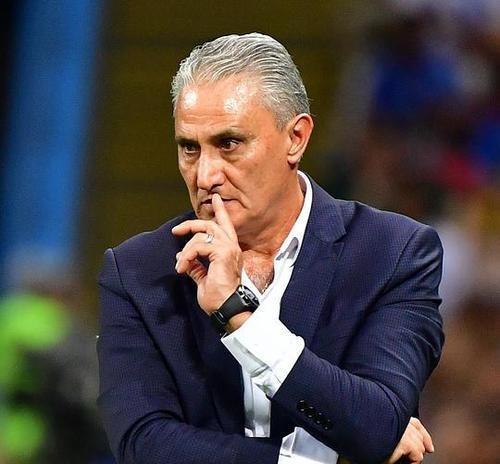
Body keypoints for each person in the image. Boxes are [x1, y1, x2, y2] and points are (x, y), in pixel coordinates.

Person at [97, 33, 443, 464]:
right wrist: (308, 459)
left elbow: (378, 421)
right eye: (190, 148)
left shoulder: (392, 253)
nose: (205, 176)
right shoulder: (137, 272)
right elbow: (143, 444)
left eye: (229, 144)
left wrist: (238, 316)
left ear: (295, 138)